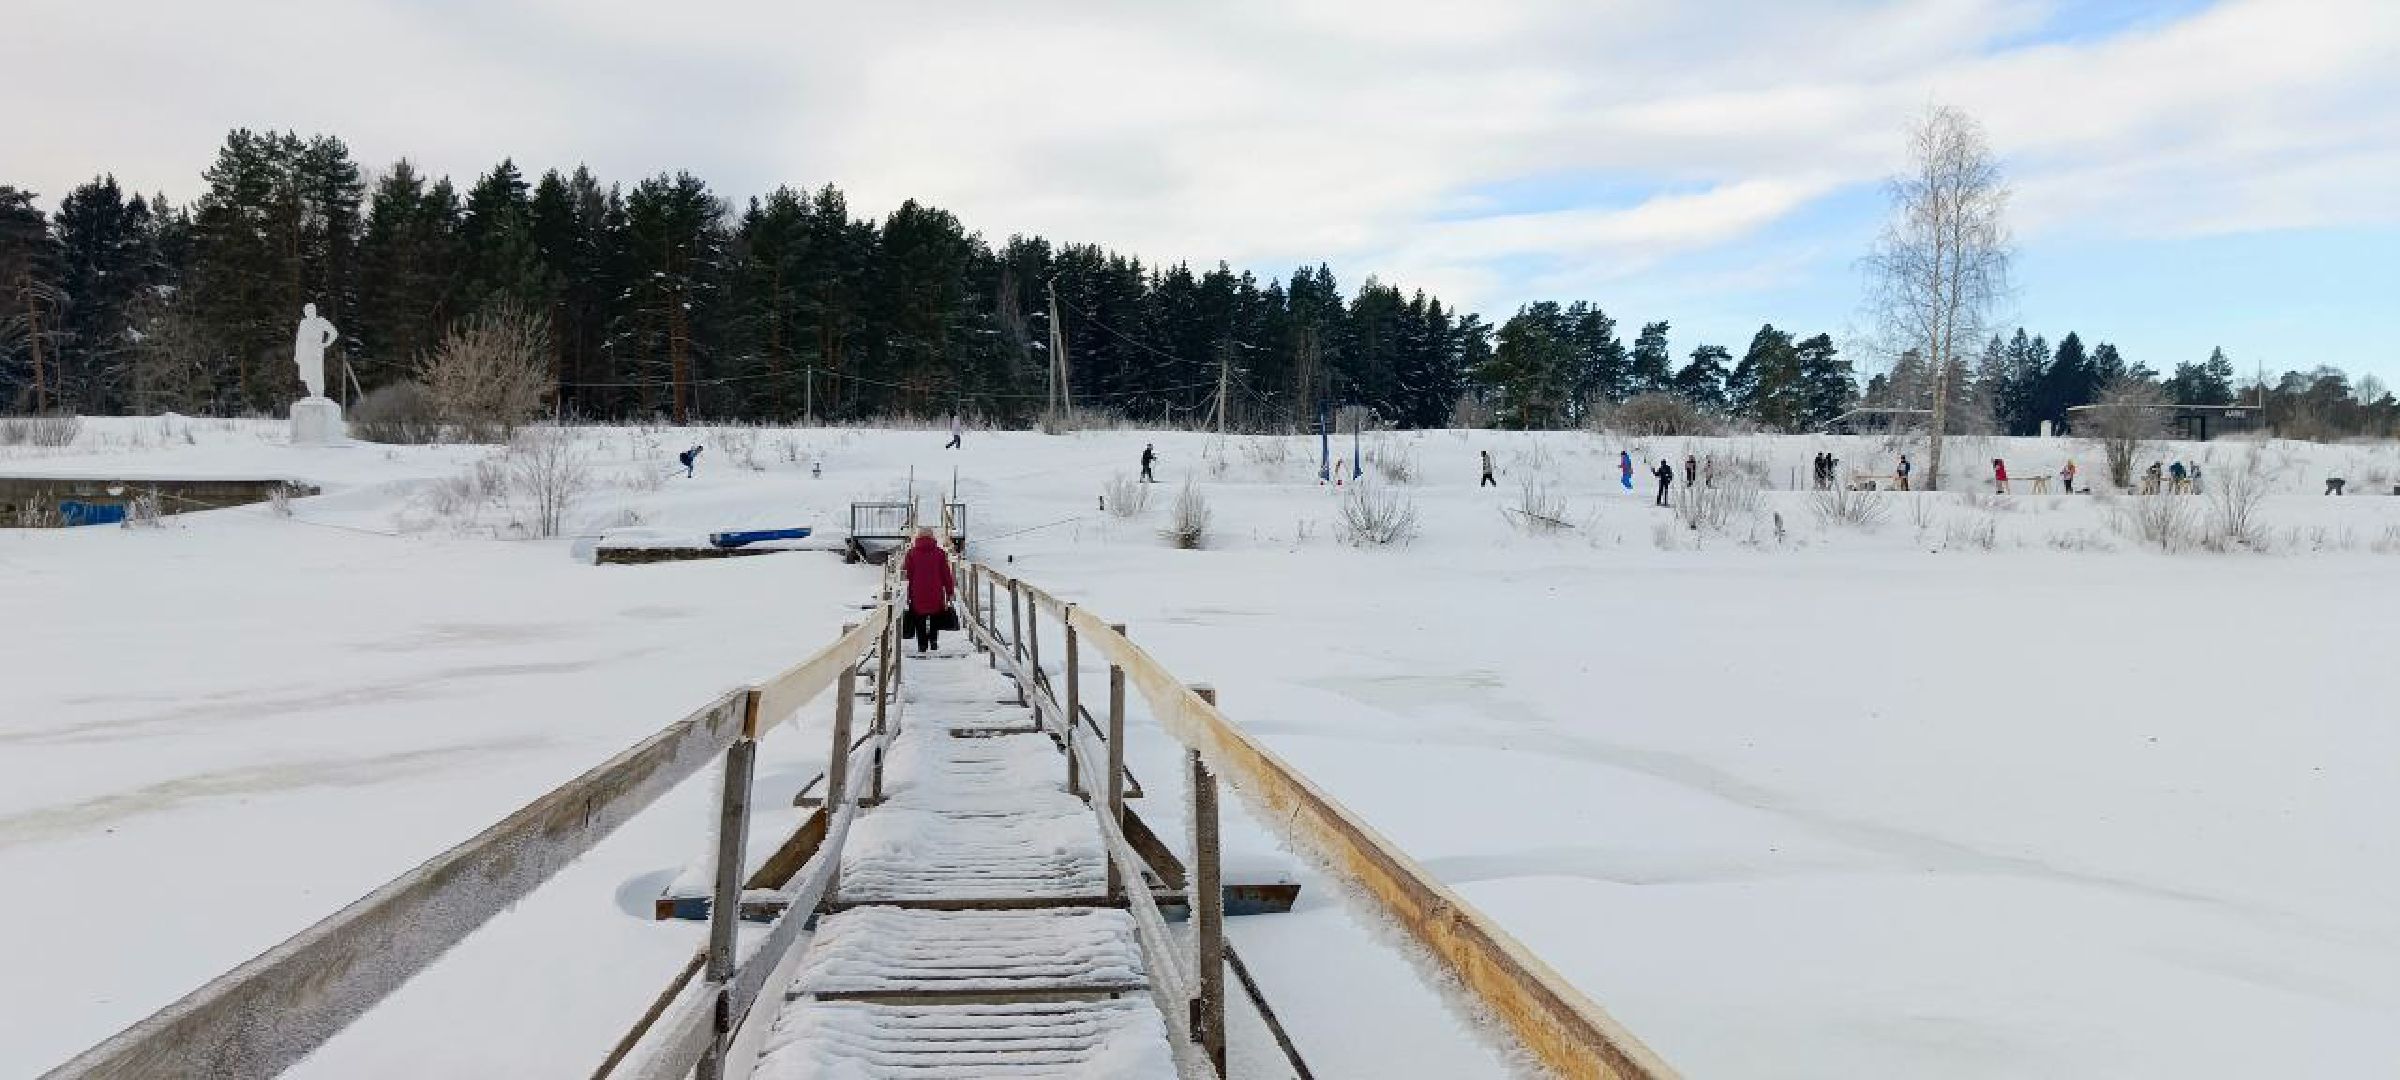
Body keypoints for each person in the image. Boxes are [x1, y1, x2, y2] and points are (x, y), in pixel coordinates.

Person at [900, 527, 956, 654]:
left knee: (919, 618)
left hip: (917, 591)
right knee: (935, 616)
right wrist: (949, 591)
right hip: (935, 591)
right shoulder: (940, 553)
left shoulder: (911, 553)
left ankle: (922, 645)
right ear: (932, 537)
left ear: (918, 537)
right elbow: (946, 574)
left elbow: (907, 574)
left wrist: (906, 594)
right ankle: (933, 641)